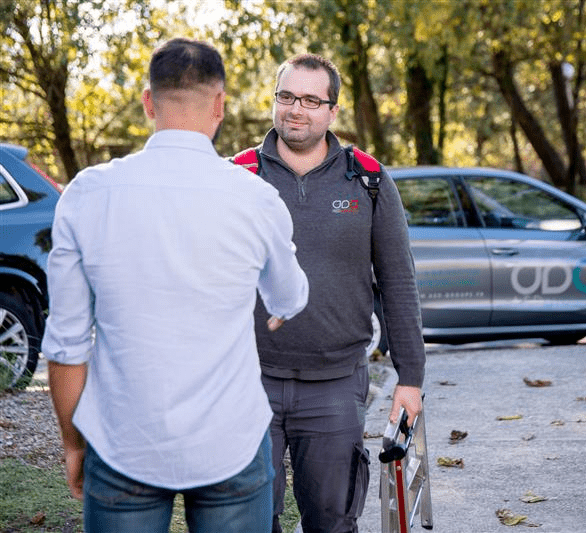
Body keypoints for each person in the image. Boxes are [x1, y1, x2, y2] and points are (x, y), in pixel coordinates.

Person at [42, 37, 308, 532]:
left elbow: (66, 345)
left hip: (123, 439)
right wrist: (278, 303)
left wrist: (73, 442)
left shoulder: (87, 195)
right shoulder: (255, 198)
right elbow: (290, 295)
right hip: (230, 437)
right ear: (220, 105)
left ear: (149, 102)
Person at [232, 53, 426, 533]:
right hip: (247, 383)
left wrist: (411, 377)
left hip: (336, 386)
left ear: (332, 111)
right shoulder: (237, 177)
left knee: (334, 522)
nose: (296, 109)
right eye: (286, 96)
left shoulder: (367, 179)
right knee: (248, 521)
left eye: (311, 100)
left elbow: (398, 281)